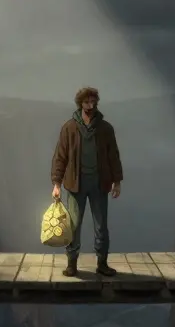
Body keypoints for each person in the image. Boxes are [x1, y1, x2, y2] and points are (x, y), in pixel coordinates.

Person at [50, 86, 123, 277]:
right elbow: (61, 156)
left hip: (99, 184)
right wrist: (57, 184)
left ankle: (102, 263)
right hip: (76, 184)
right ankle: (72, 264)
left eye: (93, 102)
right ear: (80, 103)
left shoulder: (106, 129)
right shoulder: (69, 128)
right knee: (73, 225)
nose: (90, 106)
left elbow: (113, 156)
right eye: (86, 102)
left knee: (101, 225)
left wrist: (117, 181)